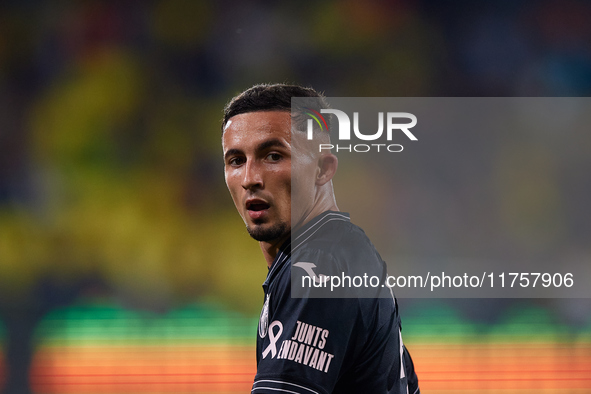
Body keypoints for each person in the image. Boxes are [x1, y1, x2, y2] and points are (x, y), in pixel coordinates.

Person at [221, 83, 419, 394]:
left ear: (323, 168)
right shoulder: (343, 252)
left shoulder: (319, 262)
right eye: (236, 161)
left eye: (273, 156)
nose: (249, 179)